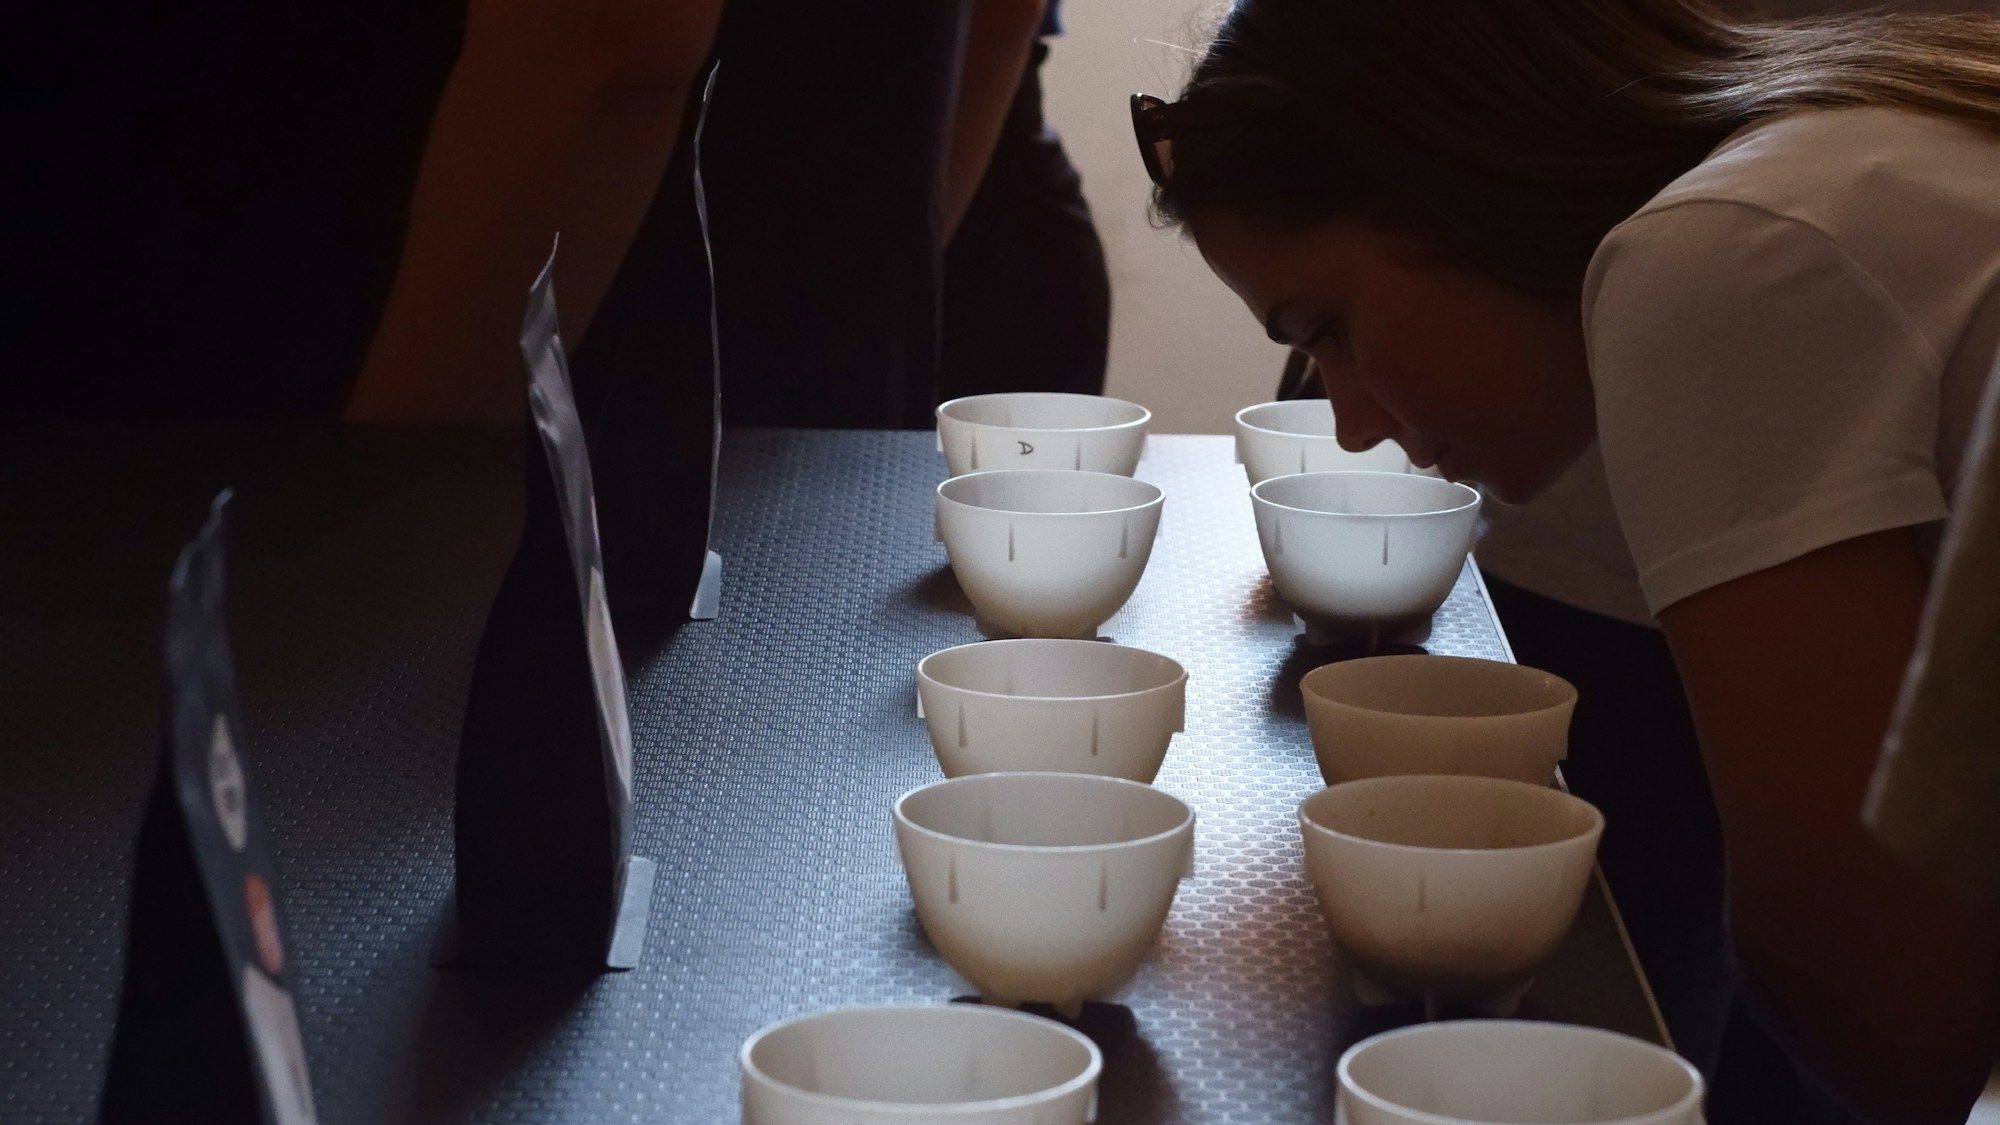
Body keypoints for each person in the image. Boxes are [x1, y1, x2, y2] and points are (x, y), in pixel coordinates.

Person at [1136, 2, 2000, 1120]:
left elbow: (1885, 1018)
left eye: (1327, 328)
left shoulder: (1727, 255)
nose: (1349, 425)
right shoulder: (1849, 141)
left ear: (1453, 183)